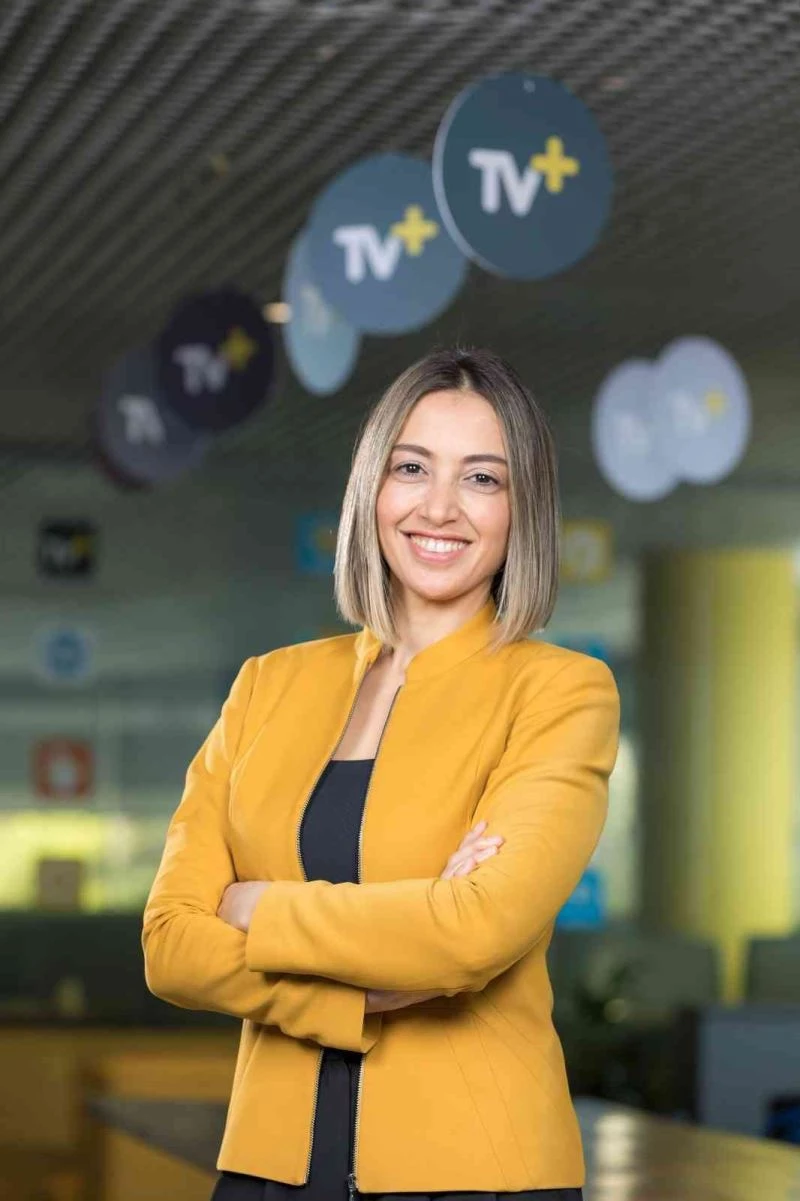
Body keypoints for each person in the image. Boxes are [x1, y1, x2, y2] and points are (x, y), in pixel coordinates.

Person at [142, 346, 620, 1201]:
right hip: (267, 1170)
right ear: (373, 487)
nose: (439, 507)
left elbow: (473, 932)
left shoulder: (562, 691)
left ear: (523, 508)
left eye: (483, 478)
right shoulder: (267, 685)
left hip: (477, 1174)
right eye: (412, 467)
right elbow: (171, 947)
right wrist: (364, 992)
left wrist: (255, 905)